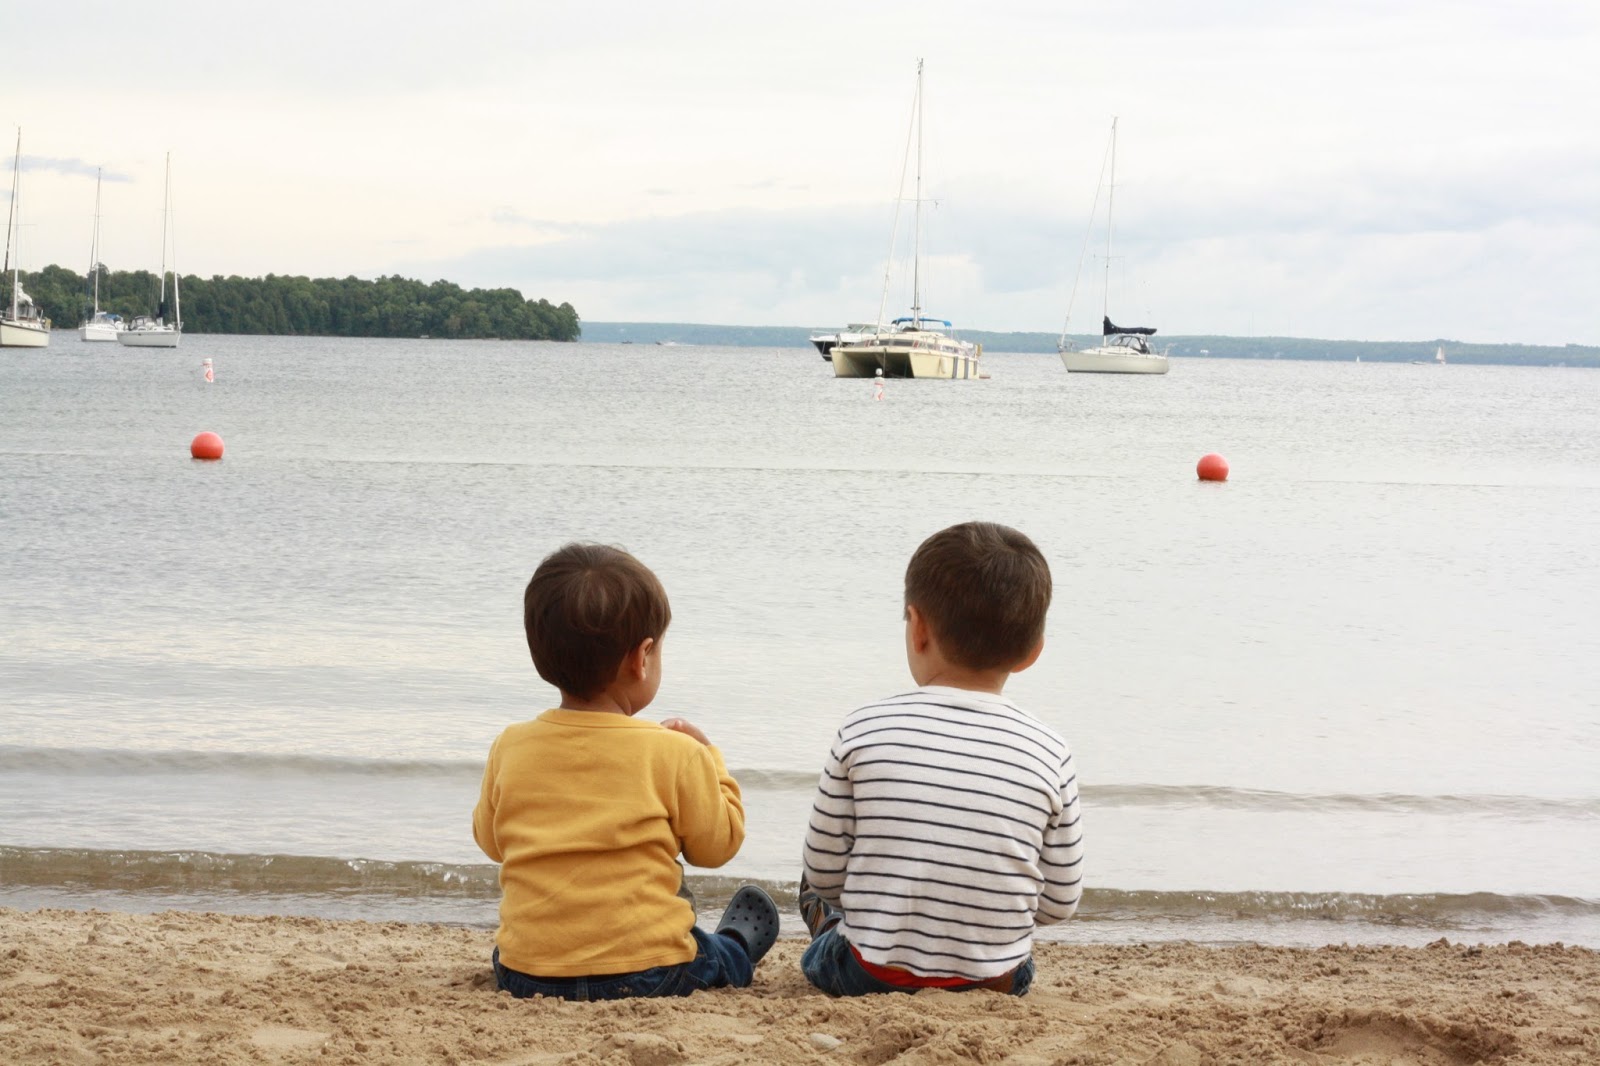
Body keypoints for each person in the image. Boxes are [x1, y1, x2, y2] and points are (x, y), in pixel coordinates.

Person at [474, 542, 778, 1001]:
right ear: (642, 657)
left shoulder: (510, 745)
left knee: (521, 947)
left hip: (526, 974)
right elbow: (718, 846)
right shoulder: (675, 753)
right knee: (713, 956)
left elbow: (492, 842)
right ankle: (736, 944)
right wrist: (710, 758)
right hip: (648, 973)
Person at [799, 521, 1083, 996]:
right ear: (1032, 651)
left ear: (919, 628)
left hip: (870, 975)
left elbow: (824, 871)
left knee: (818, 900)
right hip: (996, 980)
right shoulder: (1051, 752)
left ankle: (837, 930)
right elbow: (1058, 904)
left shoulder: (862, 729)